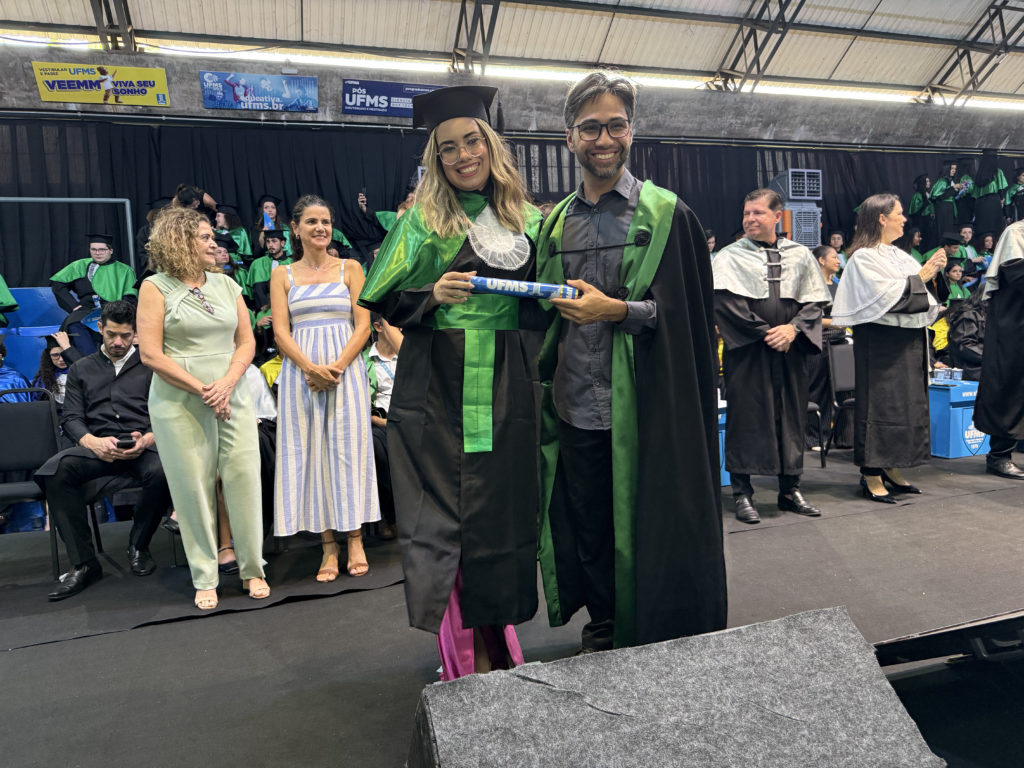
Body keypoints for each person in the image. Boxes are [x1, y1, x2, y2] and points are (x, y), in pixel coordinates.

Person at [535, 71, 726, 651]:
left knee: (653, 517)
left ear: (632, 132)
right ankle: (606, 621)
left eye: (615, 125)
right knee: (590, 522)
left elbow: (686, 317)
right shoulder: (554, 223)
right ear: (570, 138)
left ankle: (662, 623)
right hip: (576, 403)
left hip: (647, 403)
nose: (604, 139)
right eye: (590, 127)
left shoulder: (667, 215)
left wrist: (616, 310)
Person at [358, 84, 542, 679]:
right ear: (435, 160)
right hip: (438, 382)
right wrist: (431, 295)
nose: (463, 156)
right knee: (445, 515)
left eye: (471, 142)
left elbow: (547, 303)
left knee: (499, 512)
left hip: (510, 381)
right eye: (448, 148)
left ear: (491, 145)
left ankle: (499, 640)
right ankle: (463, 652)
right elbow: (380, 296)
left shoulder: (529, 219)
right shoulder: (423, 221)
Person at [137, 205, 269, 611]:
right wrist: (203, 389)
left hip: (231, 392)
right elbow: (151, 354)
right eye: (205, 237)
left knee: (244, 477)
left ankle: (252, 568)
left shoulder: (227, 284)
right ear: (180, 241)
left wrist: (227, 384)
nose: (215, 243)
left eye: (213, 236)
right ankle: (205, 575)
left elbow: (246, 342)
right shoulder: (154, 287)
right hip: (178, 399)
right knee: (192, 487)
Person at [270, 194, 379, 580]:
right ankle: (328, 546)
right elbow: (281, 332)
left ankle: (356, 538)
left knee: (349, 452)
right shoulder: (282, 274)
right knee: (311, 455)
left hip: (345, 374)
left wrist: (334, 369)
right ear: (295, 228)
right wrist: (310, 369)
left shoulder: (351, 268)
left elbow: (363, 326)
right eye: (312, 221)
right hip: (301, 378)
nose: (321, 228)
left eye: (326, 222)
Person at [34, 301, 172, 600]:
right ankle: (84, 563)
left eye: (125, 335)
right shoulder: (81, 368)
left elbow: (169, 413)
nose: (118, 342)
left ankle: (139, 545)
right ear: (100, 329)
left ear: (135, 333)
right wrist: (92, 442)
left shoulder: (152, 365)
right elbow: (72, 418)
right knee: (55, 471)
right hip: (98, 447)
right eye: (111, 335)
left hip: (144, 447)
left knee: (163, 471)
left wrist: (149, 438)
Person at [714, 189, 831, 524]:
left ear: (777, 216)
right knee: (746, 419)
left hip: (790, 352)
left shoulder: (800, 254)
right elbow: (725, 304)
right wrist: (767, 333)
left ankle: (790, 489)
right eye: (746, 213)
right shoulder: (729, 256)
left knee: (791, 418)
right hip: (748, 353)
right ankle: (742, 492)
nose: (750, 219)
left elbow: (814, 303)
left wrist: (792, 330)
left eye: (758, 213)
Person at [830, 194, 943, 503]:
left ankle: (891, 466)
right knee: (881, 406)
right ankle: (871, 472)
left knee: (906, 406)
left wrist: (932, 276)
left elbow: (921, 295)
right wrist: (923, 274)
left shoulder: (899, 255)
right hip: (880, 344)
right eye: (899, 213)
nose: (904, 219)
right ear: (881, 218)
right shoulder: (863, 257)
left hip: (908, 341)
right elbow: (884, 297)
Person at [974, 221, 1024, 479]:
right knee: (1009, 387)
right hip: (1014, 326)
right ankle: (999, 456)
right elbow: (1017, 275)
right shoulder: (1017, 233)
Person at [50, 234, 138, 356]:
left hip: (114, 310)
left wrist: (118, 312)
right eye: (94, 249)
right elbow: (57, 286)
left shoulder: (124, 270)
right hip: (86, 309)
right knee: (74, 323)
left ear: (110, 250)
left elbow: (130, 297)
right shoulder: (79, 266)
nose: (97, 253)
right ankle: (90, 360)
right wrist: (73, 306)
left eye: (102, 249)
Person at [804, 245, 847, 449]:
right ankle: (812, 437)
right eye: (833, 257)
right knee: (816, 390)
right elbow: (812, 318)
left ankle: (833, 435)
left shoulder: (837, 285)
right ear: (821, 260)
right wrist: (837, 322)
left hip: (838, 343)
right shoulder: (813, 286)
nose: (838, 261)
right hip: (818, 342)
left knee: (835, 392)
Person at [365, 313, 402, 540]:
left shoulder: (408, 354)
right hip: (379, 422)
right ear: (378, 327)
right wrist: (382, 421)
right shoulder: (365, 361)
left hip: (410, 418)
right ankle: (390, 516)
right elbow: (361, 404)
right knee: (377, 447)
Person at [247, 229, 292, 330]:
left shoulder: (292, 263)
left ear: (283, 243)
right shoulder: (257, 264)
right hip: (264, 312)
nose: (270, 245)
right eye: (268, 241)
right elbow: (255, 293)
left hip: (288, 310)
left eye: (274, 241)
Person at [31, 332, 82, 419]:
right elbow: (36, 407)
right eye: (55, 355)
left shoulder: (83, 372)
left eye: (64, 354)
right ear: (48, 356)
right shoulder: (43, 379)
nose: (61, 359)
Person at [972, 150, 1008, 239]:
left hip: (980, 203)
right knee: (995, 228)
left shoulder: (979, 174)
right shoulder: (997, 172)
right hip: (993, 201)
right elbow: (1001, 188)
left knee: (983, 228)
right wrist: (1002, 198)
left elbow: (975, 194)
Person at [251, 194, 292, 259]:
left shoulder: (285, 227)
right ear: (262, 211)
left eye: (273, 207)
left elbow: (291, 249)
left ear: (276, 210)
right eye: (266, 207)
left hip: (286, 259)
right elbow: (256, 253)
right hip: (267, 260)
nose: (270, 210)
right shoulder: (256, 228)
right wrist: (262, 234)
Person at [930, 160, 960, 237]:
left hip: (948, 208)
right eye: (952, 168)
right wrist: (953, 188)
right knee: (944, 230)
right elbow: (938, 196)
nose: (954, 171)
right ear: (947, 168)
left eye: (955, 169)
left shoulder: (950, 180)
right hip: (943, 208)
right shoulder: (942, 181)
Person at [908, 174, 935, 248]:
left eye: (929, 181)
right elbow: (914, 211)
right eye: (927, 181)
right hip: (921, 222)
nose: (929, 183)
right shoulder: (917, 195)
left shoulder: (927, 194)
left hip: (928, 221)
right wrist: (924, 204)